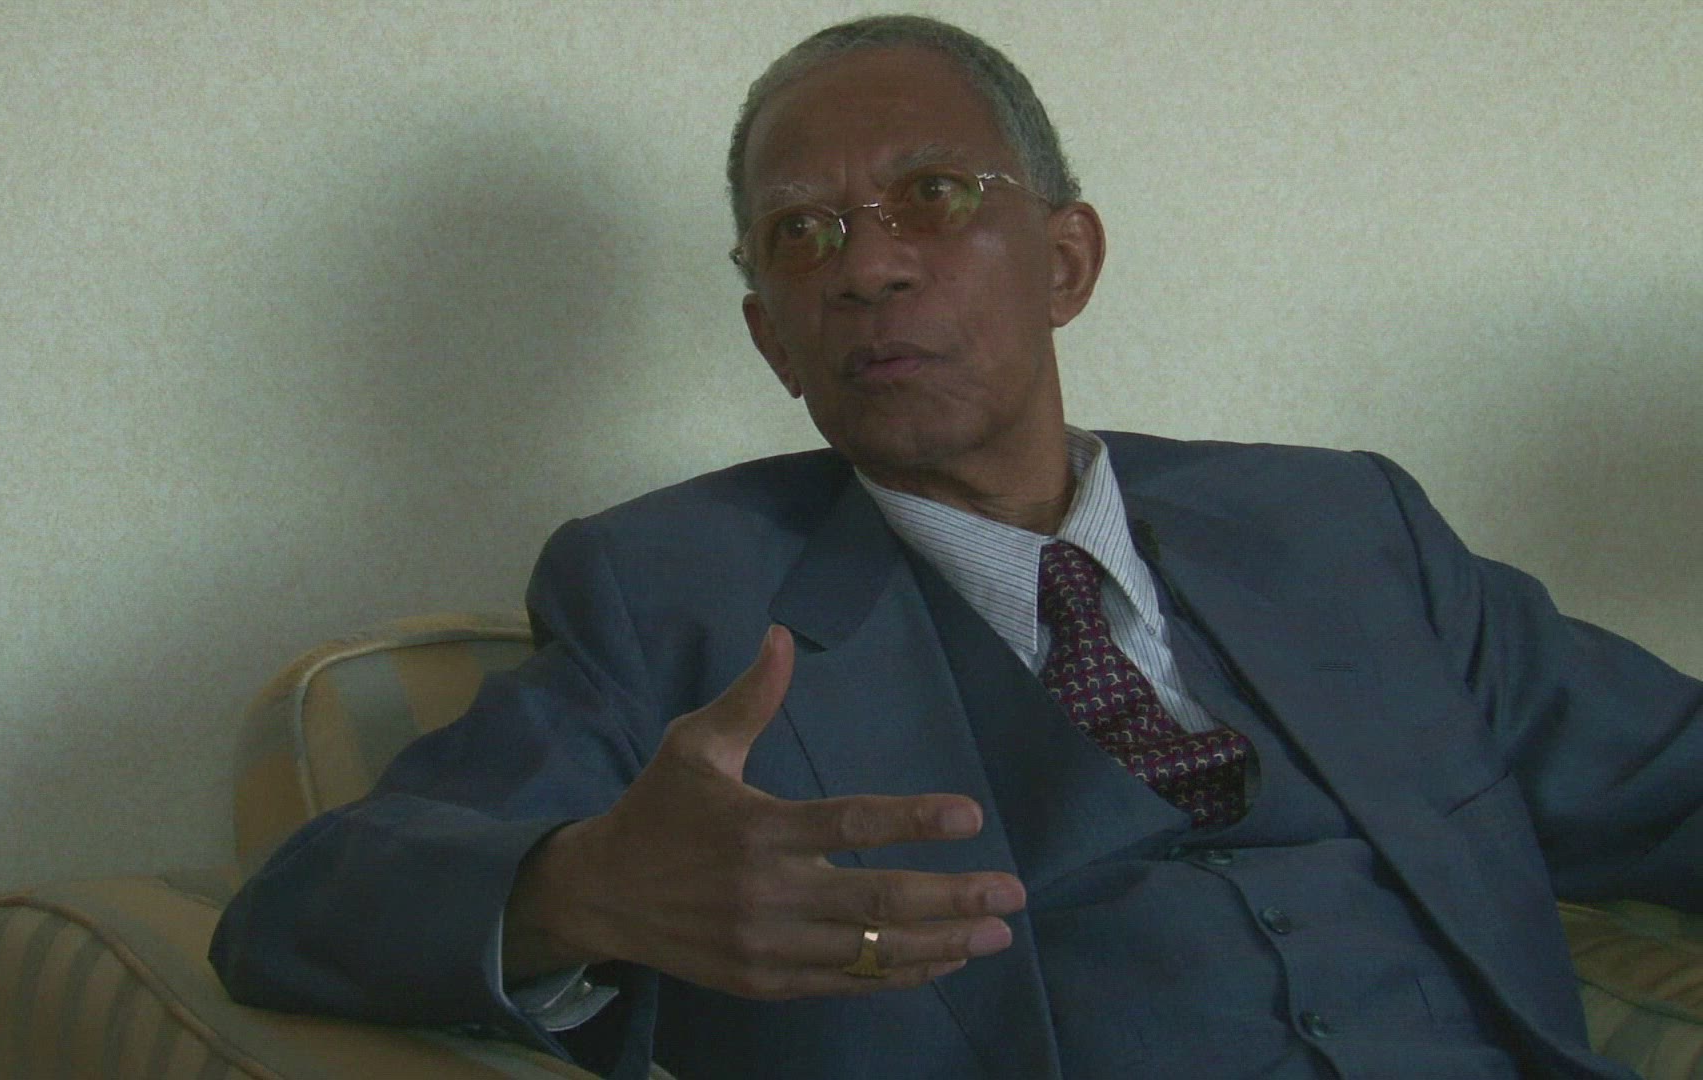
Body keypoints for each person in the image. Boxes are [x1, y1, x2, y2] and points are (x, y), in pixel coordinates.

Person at [210, 15, 1701, 1079]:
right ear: (773, 341)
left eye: (932, 196)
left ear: (1067, 260)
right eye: (803, 235)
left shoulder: (1340, 532)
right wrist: (584, 887)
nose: (867, 266)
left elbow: (1669, 777)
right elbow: (308, 903)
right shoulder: (673, 596)